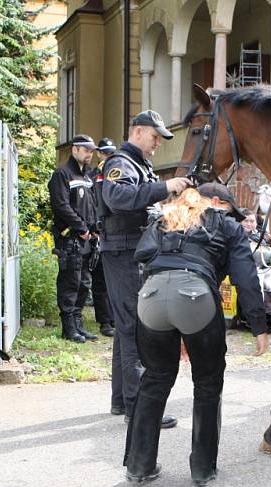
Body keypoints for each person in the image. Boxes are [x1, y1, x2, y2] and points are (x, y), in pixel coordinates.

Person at [124, 185, 269, 486]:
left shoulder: (162, 218)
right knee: (207, 382)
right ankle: (202, 469)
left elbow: (141, 262)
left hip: (150, 295)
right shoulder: (226, 225)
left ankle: (139, 466)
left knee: (155, 377)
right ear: (214, 202)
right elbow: (245, 276)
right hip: (196, 295)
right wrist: (259, 326)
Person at [98, 110, 192, 424]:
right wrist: (165, 187)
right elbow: (119, 199)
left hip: (130, 251)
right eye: (154, 137)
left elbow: (144, 205)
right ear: (138, 132)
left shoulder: (137, 165)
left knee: (126, 326)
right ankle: (139, 408)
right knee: (135, 327)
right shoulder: (119, 164)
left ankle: (122, 402)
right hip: (123, 252)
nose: (156, 145)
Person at [47, 134, 100, 343]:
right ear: (75, 149)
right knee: (70, 281)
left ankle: (78, 324)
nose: (90, 154)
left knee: (84, 283)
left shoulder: (87, 176)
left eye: (91, 151)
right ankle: (68, 328)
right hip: (70, 237)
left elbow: (93, 205)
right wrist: (80, 227)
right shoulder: (62, 174)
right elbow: (61, 206)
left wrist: (94, 228)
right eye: (86, 150)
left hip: (86, 238)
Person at [86, 137, 118, 338]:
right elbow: (90, 204)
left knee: (114, 280)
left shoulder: (117, 174)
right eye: (104, 153)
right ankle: (105, 321)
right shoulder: (91, 176)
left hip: (115, 231)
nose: (106, 157)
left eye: (110, 153)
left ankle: (114, 318)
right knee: (100, 280)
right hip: (98, 230)